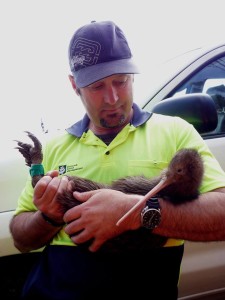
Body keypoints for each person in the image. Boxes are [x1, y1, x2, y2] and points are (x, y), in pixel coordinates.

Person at [10, 20, 225, 300]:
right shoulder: (55, 146)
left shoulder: (175, 133)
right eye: (97, 86)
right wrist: (48, 217)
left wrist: (137, 213)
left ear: (133, 76)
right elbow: (21, 239)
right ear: (75, 85)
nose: (112, 98)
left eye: (121, 81)